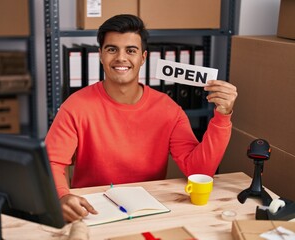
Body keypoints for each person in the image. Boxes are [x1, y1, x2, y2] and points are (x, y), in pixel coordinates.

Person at [45, 14, 238, 222]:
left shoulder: (168, 109)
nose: (121, 58)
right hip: (92, 212)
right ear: (100, 55)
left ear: (143, 57)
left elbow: (198, 170)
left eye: (131, 50)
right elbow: (52, 162)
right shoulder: (75, 106)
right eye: (112, 49)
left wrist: (222, 117)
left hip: (149, 210)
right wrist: (62, 196)